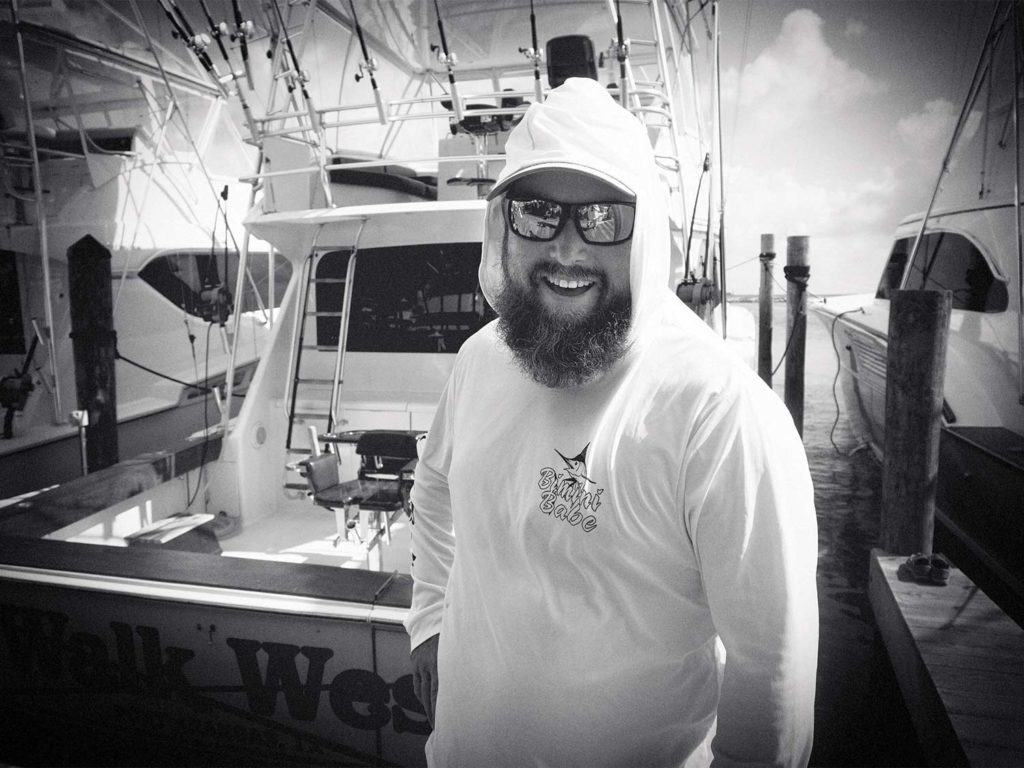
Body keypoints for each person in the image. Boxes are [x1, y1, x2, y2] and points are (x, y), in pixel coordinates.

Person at [404, 77, 819, 768]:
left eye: (603, 218)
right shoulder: (480, 359)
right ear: (504, 222)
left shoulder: (717, 412)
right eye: (539, 214)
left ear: (647, 229)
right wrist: (428, 619)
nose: (567, 250)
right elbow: (435, 486)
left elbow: (771, 670)